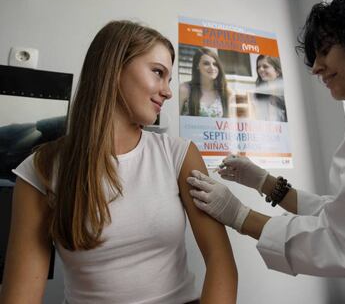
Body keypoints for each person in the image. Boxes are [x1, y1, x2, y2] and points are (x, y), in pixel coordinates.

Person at [186, 0, 345, 303]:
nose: (315, 68)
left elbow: (340, 240)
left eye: (324, 51)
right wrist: (265, 182)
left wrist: (238, 214)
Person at [0, 20, 237, 304]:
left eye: (169, 79)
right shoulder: (40, 170)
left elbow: (220, 260)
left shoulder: (179, 155)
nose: (168, 91)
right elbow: (20, 296)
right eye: (158, 73)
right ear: (113, 68)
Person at [180, 47, 232, 118]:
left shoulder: (226, 92)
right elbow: (175, 120)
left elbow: (228, 125)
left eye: (215, 64)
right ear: (197, 66)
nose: (212, 67)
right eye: (206, 63)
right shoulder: (185, 89)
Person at [253, 55, 287, 122]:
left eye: (265, 66)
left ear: (277, 72)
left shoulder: (286, 95)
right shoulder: (258, 95)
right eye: (258, 67)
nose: (260, 70)